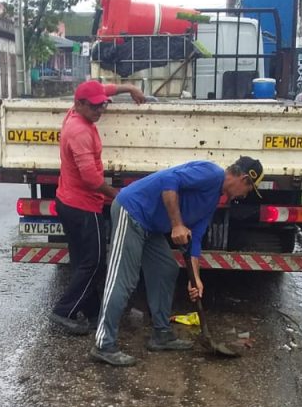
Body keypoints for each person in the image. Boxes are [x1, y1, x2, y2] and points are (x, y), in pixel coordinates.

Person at [91, 156, 264, 367]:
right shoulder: (212, 173)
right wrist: (177, 225)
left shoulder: (213, 200)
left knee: (167, 268)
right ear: (244, 178)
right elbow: (169, 180)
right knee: (123, 280)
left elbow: (196, 240)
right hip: (133, 211)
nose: (245, 195)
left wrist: (196, 279)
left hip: (150, 226)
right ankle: (103, 344)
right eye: (249, 189)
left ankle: (161, 334)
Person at [51, 79, 147, 336]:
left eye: (102, 105)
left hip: (68, 200)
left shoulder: (81, 107)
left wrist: (130, 89)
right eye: (94, 107)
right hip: (82, 206)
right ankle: (64, 311)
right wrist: (117, 196)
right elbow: (91, 179)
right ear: (79, 104)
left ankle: (92, 313)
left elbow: (103, 89)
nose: (100, 111)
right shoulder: (80, 131)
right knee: (92, 263)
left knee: (83, 261)